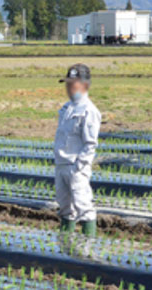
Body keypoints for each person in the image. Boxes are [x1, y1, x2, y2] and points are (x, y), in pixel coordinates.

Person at [54, 63, 101, 237]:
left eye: (73, 83)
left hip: (75, 165)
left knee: (83, 205)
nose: (69, 87)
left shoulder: (89, 111)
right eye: (68, 83)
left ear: (84, 85)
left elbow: (90, 144)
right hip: (61, 163)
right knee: (65, 206)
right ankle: (66, 247)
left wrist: (79, 166)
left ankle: (89, 246)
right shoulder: (66, 108)